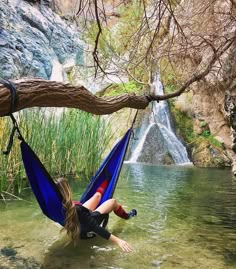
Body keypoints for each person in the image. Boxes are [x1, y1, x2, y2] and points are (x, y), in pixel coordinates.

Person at [55, 177, 137, 252]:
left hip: (79, 216)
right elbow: (95, 227)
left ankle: (106, 179)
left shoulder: (60, 206)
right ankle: (127, 216)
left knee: (97, 196)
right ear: (68, 189)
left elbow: (79, 212)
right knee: (113, 202)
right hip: (87, 222)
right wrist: (118, 241)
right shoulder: (77, 209)